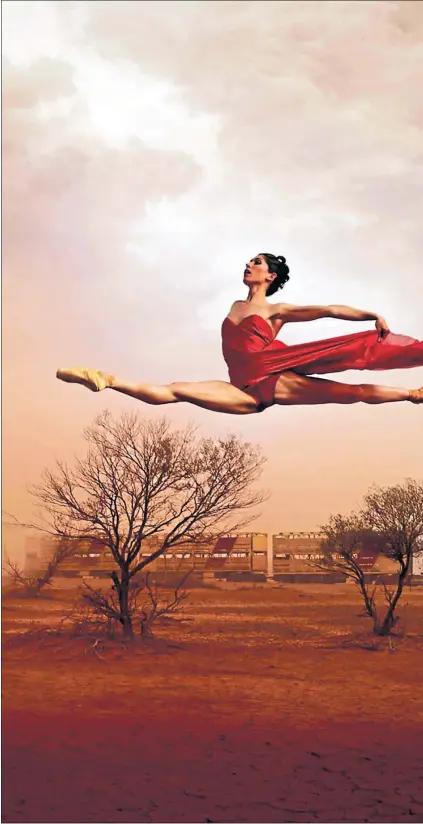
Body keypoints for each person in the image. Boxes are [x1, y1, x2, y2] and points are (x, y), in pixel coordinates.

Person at [56, 253, 423, 413]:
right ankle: (106, 380)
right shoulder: (234, 306)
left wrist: (369, 314)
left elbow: (330, 309)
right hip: (239, 387)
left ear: (270, 276)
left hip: (272, 379)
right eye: (249, 261)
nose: (249, 265)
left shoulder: (278, 311)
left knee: (351, 393)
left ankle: (412, 394)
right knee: (176, 390)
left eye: (257, 263)